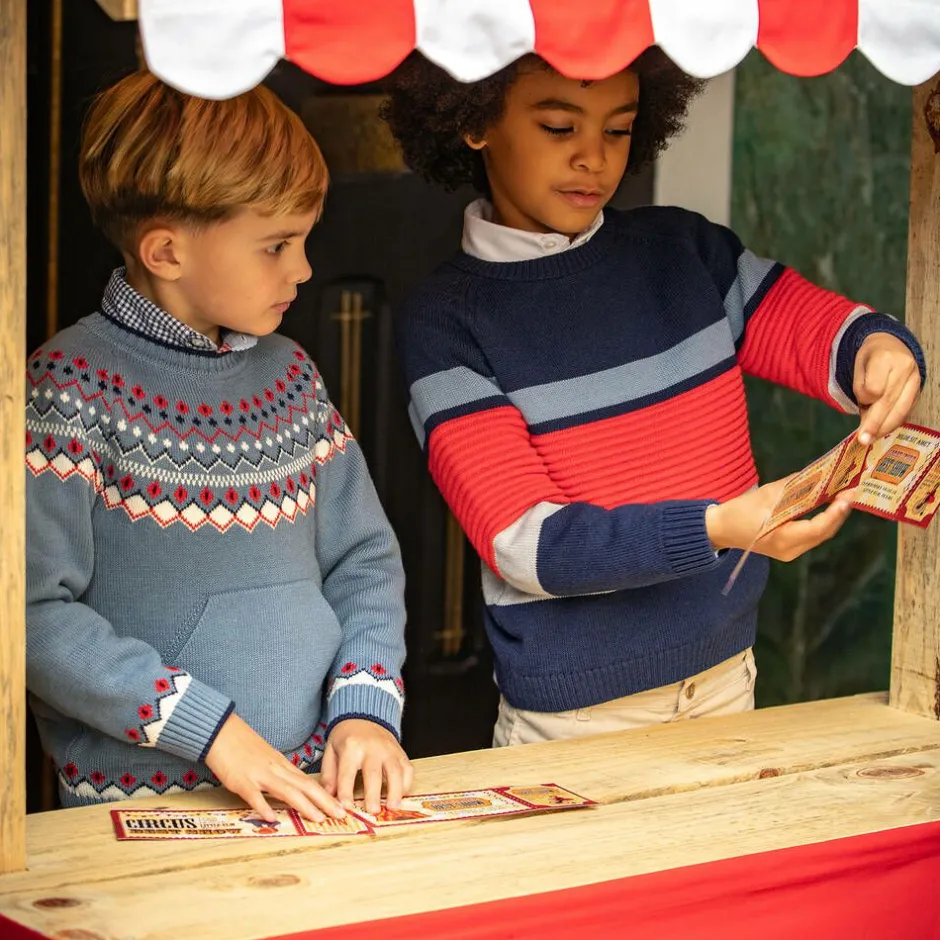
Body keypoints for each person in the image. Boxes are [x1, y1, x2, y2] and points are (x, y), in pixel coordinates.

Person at [383, 51, 926, 746]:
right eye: (558, 127)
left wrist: (875, 351)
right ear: (475, 120)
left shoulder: (683, 250)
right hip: (574, 722)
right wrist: (718, 527)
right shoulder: (447, 322)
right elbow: (530, 544)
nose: (594, 157)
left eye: (618, 129)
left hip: (729, 678)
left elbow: (806, 325)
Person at [25, 71, 412, 820]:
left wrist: (365, 708)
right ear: (166, 253)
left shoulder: (292, 379)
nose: (303, 269)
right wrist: (210, 731)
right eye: (276, 246)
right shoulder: (68, 392)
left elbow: (364, 559)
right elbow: (31, 615)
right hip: (145, 812)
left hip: (316, 791)